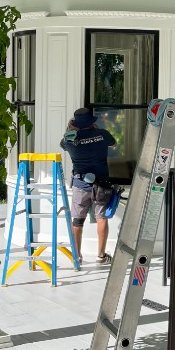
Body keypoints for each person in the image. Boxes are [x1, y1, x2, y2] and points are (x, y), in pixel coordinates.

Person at [60, 107, 117, 264]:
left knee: (77, 220)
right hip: (102, 184)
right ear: (91, 121)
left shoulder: (69, 140)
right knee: (101, 218)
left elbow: (63, 143)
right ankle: (101, 256)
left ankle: (77, 257)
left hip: (80, 184)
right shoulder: (102, 134)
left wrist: (71, 129)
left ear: (75, 123)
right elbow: (113, 144)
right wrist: (95, 131)